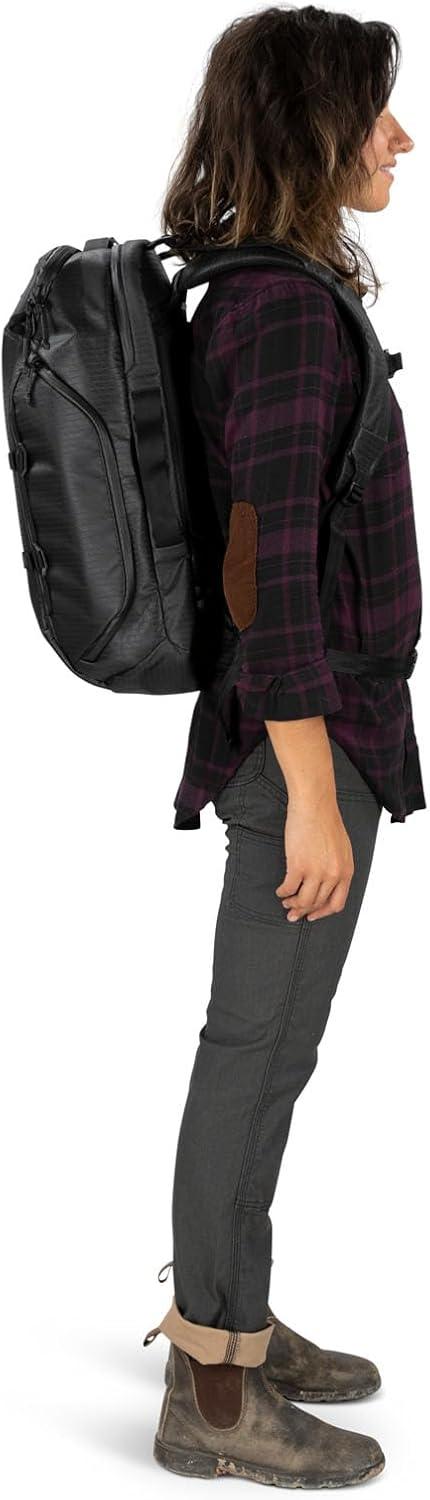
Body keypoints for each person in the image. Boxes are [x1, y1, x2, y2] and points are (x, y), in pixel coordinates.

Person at [144, 6, 426, 1487]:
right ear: (312, 128)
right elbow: (270, 583)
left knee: (275, 1051)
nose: (401, 138)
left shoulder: (280, 294)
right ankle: (211, 1389)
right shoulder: (279, 315)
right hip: (299, 745)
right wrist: (312, 794)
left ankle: (233, 1314)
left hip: (321, 732)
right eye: (375, 113)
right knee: (251, 1052)